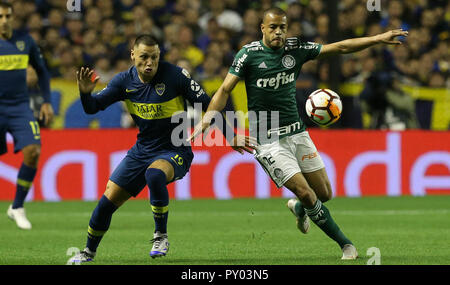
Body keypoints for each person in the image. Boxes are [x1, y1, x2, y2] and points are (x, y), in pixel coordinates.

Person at [189, 7, 408, 260]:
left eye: (282, 27)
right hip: (267, 141)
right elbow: (224, 89)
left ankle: (300, 210)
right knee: (306, 193)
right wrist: (211, 121)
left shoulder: (295, 49)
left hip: (297, 134)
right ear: (262, 28)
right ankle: (346, 245)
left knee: (324, 195)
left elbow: (340, 48)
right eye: (273, 27)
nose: (278, 32)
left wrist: (377, 39)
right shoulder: (248, 54)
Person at [68, 35, 253, 263]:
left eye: (154, 57)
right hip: (141, 150)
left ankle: (160, 236)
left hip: (175, 149)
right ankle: (88, 253)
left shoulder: (175, 76)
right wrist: (85, 93)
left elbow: (209, 104)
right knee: (106, 204)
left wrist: (230, 135)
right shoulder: (123, 82)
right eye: (144, 57)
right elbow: (92, 108)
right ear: (132, 55)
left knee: (154, 174)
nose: (149, 63)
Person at [0, 2, 54, 230]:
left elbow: (42, 71)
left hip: (20, 106)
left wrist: (47, 102)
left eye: (7, 16)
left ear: (13, 17)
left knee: (33, 151)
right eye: (0, 16)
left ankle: (17, 206)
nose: (4, 20)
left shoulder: (25, 42)